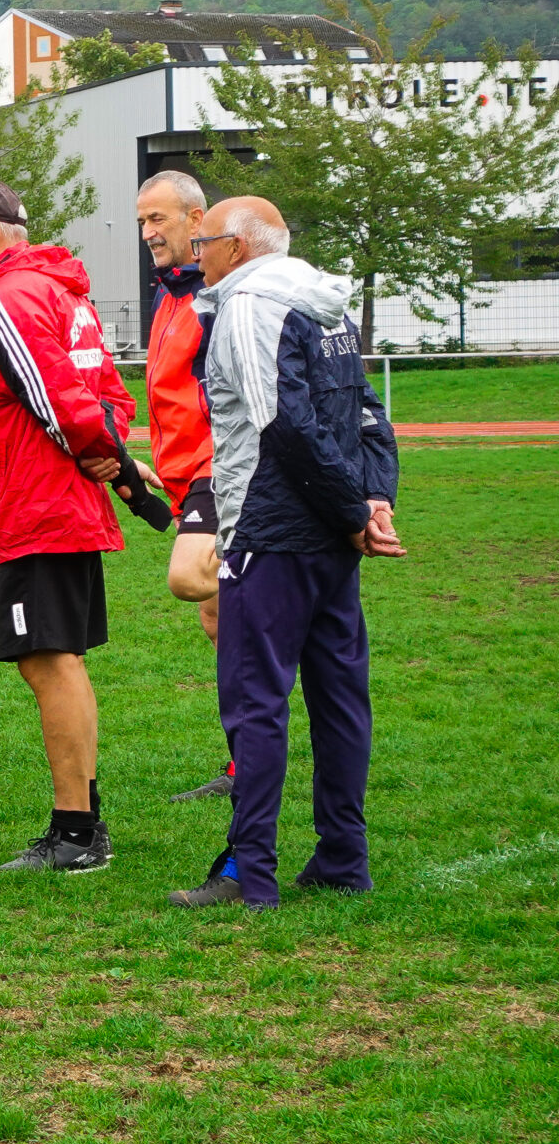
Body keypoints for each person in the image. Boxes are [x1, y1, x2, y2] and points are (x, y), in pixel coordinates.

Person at [170, 197, 402, 911]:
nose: (194, 256)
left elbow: (285, 428)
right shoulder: (323, 296)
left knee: (254, 704)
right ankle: (343, 857)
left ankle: (251, 875)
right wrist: (371, 501)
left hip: (272, 534)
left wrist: (351, 507)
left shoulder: (248, 306)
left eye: (203, 241)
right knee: (340, 700)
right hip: (334, 539)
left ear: (237, 247)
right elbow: (368, 412)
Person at [0, 176, 140, 872]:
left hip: (37, 506)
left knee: (49, 664)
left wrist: (101, 454)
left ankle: (77, 833)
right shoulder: (59, 293)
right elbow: (109, 392)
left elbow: (54, 397)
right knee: (55, 662)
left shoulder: (14, 299)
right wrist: (108, 452)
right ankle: (83, 822)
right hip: (58, 503)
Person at [137, 171, 237, 802]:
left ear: (197, 221)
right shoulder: (167, 295)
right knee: (217, 620)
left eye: (160, 219)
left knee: (190, 578)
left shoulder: (219, 292)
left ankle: (284, 589)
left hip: (218, 467)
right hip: (180, 474)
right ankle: (243, 765)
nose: (148, 232)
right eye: (143, 221)